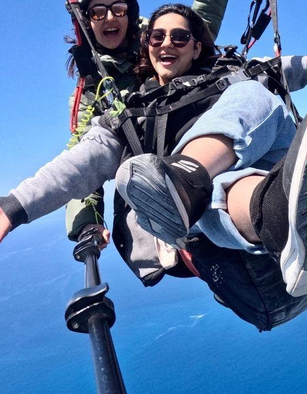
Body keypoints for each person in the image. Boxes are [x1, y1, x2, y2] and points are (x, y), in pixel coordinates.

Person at [0, 4, 307, 331]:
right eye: (157, 37)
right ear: (147, 49)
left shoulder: (236, 78)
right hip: (226, 239)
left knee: (252, 91)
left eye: (180, 36)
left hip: (272, 168)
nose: (168, 43)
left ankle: (229, 192)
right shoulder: (130, 119)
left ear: (197, 47)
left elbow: (293, 68)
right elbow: (77, 164)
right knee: (177, 184)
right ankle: (262, 211)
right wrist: (16, 206)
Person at [65, 0, 229, 244]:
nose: (109, 17)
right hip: (152, 188)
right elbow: (85, 155)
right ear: (87, 21)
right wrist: (87, 220)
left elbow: (204, 15)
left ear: (129, 13)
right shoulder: (93, 89)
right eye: (97, 12)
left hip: (202, 156)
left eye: (118, 9)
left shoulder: (162, 39)